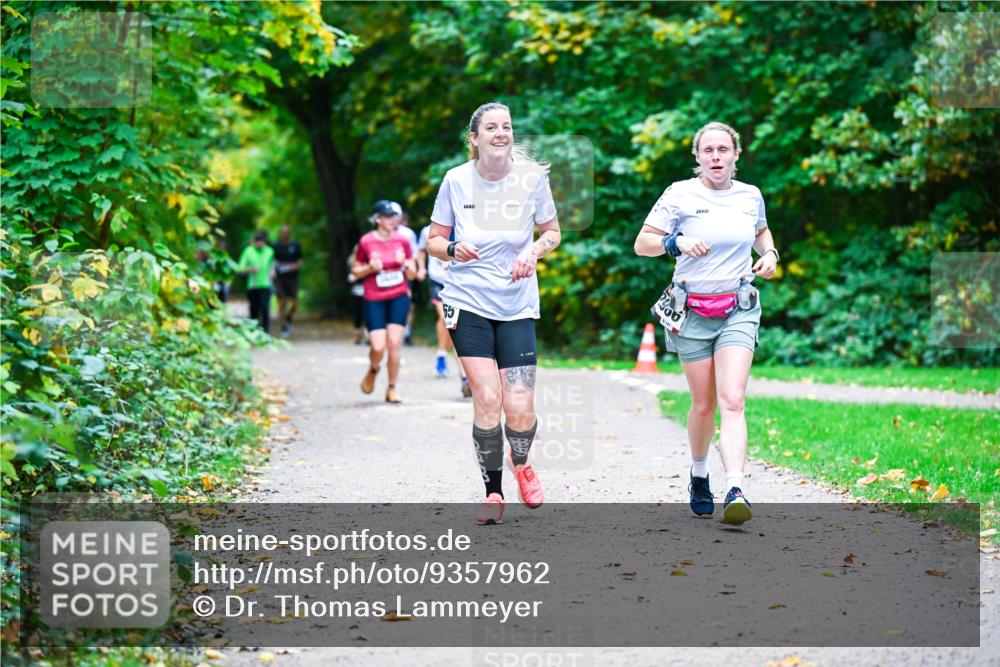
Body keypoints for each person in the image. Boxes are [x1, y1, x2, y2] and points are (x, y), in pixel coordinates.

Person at [633, 121, 779, 526]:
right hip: (691, 311)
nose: (716, 157)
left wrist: (770, 256)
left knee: (732, 399)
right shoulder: (679, 194)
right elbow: (642, 243)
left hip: (738, 306)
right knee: (704, 404)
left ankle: (735, 487)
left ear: (736, 155)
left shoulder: (750, 196)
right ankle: (700, 473)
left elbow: (761, 233)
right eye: (708, 151)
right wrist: (674, 242)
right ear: (697, 158)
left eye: (723, 150)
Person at [425, 102, 560, 525]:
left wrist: (534, 251)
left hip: (517, 302)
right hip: (467, 301)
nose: (501, 133)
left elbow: (552, 232)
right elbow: (433, 240)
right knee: (487, 397)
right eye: (491, 127)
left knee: (519, 407)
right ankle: (493, 492)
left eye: (507, 126)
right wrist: (451, 249)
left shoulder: (531, 179)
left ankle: (522, 464)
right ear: (475, 138)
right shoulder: (455, 181)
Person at [352, 200, 417, 404]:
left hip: (398, 295)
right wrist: (369, 268)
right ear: (378, 219)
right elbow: (356, 270)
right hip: (374, 298)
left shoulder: (402, 241)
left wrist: (404, 264)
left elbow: (414, 274)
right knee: (378, 347)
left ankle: (392, 388)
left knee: (394, 342)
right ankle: (373, 369)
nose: (392, 220)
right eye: (388, 216)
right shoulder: (366, 241)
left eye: (394, 217)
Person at [417, 223, 471, 397]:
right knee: (450, 321)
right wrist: (421, 267)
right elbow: (422, 251)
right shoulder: (428, 230)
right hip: (438, 283)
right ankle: (464, 378)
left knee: (455, 325)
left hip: (461, 284)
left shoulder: (469, 226)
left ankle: (443, 354)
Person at [237, 230, 275, 333]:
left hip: (266, 284)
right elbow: (240, 267)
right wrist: (250, 269)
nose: (259, 244)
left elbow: (272, 264)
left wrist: (272, 271)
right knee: (254, 309)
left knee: (265, 308)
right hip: (252, 285)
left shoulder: (270, 251)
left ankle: (265, 332)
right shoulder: (248, 251)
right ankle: (254, 332)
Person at [273, 225, 303, 338]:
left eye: (286, 233)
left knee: (294, 303)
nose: (284, 235)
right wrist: (276, 269)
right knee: (281, 302)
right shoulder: (276, 246)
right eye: (282, 233)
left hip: (292, 278)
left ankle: (289, 318)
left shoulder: (295, 245)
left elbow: (300, 261)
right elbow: (273, 261)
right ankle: (283, 327)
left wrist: (292, 266)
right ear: (280, 234)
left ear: (289, 233)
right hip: (280, 278)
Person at [396, 213, 420, 346]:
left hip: (404, 273)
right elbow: (415, 255)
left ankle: (403, 332)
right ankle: (406, 332)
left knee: (407, 303)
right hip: (406, 273)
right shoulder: (409, 233)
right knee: (409, 304)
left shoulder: (407, 233)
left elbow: (414, 254)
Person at [347, 242, 367, 345]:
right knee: (357, 315)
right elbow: (350, 278)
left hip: (368, 291)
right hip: (356, 292)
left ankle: (369, 337)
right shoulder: (351, 262)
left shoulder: (368, 261)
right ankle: (357, 336)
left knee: (368, 314)